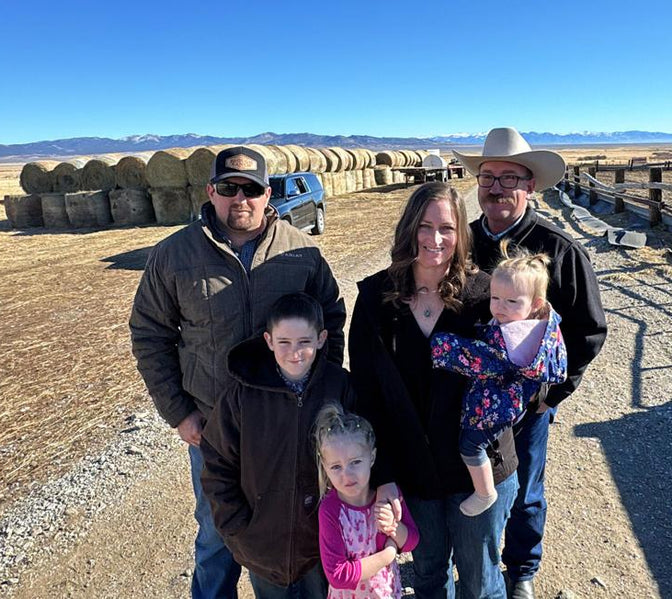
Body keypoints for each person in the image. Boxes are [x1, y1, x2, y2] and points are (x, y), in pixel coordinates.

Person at [129, 146, 346, 599]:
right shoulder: (174, 255)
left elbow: (331, 320)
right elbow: (150, 335)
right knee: (217, 535)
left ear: (268, 194)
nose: (239, 199)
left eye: (250, 189)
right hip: (213, 425)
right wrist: (179, 413)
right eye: (229, 188)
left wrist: (324, 398)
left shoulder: (301, 251)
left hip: (290, 421)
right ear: (211, 191)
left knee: (297, 524)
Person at [454, 127, 608, 599]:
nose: (496, 187)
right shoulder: (459, 244)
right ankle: (472, 566)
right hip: (465, 393)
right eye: (488, 177)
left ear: (530, 187)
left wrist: (547, 395)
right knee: (464, 474)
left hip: (527, 402)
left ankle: (520, 569)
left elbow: (588, 331)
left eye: (509, 178)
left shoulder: (560, 250)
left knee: (523, 486)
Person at [349, 181, 518, 599]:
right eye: (425, 226)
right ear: (408, 229)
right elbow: (365, 394)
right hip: (410, 472)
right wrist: (382, 475)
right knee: (426, 576)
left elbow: (521, 370)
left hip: (476, 472)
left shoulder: (486, 297)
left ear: (461, 233)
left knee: (480, 581)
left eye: (446, 228)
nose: (435, 239)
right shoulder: (374, 298)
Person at [199, 293, 354, 598]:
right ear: (268, 340)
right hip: (262, 546)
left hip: (321, 544)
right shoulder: (242, 395)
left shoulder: (340, 387)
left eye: (304, 342)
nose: (294, 353)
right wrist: (238, 528)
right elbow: (217, 461)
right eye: (284, 342)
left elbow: (361, 453)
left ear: (322, 339)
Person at [431, 243, 567, 517]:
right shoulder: (531, 325)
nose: (500, 308)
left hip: (497, 408)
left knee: (471, 444)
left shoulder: (520, 337)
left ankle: (484, 491)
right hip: (502, 402)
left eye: (512, 301)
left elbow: (484, 360)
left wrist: (443, 347)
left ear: (535, 305)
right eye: (495, 298)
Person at [315, 404, 419, 598]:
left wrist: (394, 527)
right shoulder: (330, 509)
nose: (347, 475)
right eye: (336, 467)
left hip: (388, 593)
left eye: (355, 462)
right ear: (325, 467)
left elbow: (412, 541)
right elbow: (337, 575)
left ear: (372, 457)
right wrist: (387, 554)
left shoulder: (388, 496)